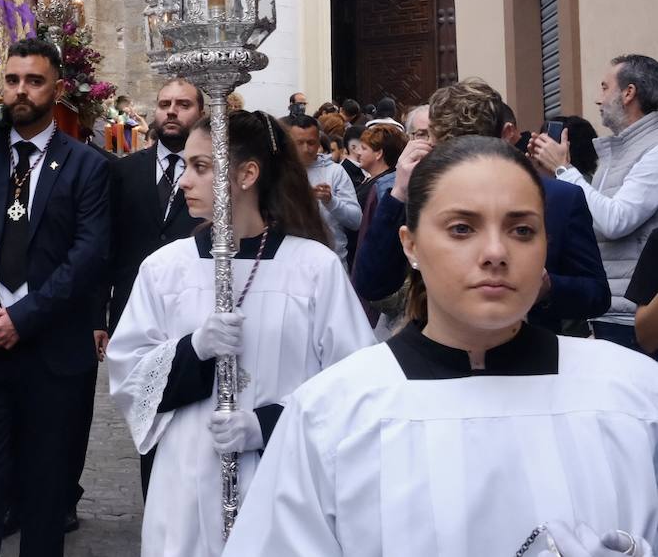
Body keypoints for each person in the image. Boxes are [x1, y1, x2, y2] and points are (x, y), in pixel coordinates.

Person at [225, 136, 658, 557]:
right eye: (462, 229)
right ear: (410, 245)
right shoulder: (335, 411)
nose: (495, 252)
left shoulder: (633, 393)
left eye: (522, 230)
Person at [108, 111, 374, 557]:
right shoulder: (166, 268)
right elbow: (130, 377)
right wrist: (193, 349)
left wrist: (267, 424)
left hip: (285, 475)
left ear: (247, 173)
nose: (183, 181)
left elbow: (355, 383)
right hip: (187, 478)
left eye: (201, 167)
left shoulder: (313, 268)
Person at [0, 38, 110, 557]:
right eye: (12, 80)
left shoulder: (86, 164)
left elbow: (88, 254)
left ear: (56, 88)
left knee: (45, 486)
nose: (21, 91)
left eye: (34, 81)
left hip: (52, 352)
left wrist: (24, 317)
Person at [354, 79, 608, 335]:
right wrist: (399, 194)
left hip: (532, 354)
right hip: (438, 351)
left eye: (522, 231)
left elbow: (596, 295)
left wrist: (548, 287)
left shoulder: (560, 198)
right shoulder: (420, 196)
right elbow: (373, 283)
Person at [102, 77, 205, 497]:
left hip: (193, 313)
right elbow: (105, 246)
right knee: (149, 413)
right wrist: (99, 317)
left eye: (182, 104)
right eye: (164, 103)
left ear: (200, 112)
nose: (171, 111)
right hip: (135, 314)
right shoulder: (123, 170)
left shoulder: (215, 175)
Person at [531, 54, 658, 351]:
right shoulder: (618, 150)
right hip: (609, 313)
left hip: (632, 318)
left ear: (628, 93)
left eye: (604, 87)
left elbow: (615, 220)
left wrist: (564, 170)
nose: (598, 99)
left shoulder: (654, 151)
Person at [289, 114, 361, 264]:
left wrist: (331, 201)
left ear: (319, 143)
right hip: (292, 263)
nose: (306, 149)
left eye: (311, 143)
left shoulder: (335, 172)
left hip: (332, 261)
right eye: (299, 143)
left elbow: (356, 220)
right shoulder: (281, 173)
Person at [351, 122, 405, 213]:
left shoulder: (385, 187)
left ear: (379, 154)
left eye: (364, 148)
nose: (358, 152)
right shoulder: (373, 180)